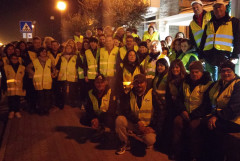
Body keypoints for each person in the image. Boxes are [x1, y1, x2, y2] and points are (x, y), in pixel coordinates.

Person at [171, 61, 212, 161]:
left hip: (199, 115)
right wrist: (182, 111)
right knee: (177, 122)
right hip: (185, 112)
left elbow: (207, 105)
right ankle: (177, 152)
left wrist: (193, 115)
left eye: (197, 72)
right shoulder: (185, 82)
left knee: (194, 126)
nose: (194, 74)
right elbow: (179, 99)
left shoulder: (208, 84)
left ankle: (195, 155)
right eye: (192, 72)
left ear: (202, 72)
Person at [115, 74, 161, 155]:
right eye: (136, 83)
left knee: (150, 140)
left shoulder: (152, 94)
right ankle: (125, 142)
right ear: (133, 84)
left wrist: (153, 127)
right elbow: (125, 110)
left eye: (141, 82)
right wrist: (137, 122)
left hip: (147, 128)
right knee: (120, 120)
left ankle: (135, 138)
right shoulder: (129, 94)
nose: (139, 85)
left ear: (145, 83)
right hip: (134, 125)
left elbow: (160, 112)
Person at [205, 60, 240, 161]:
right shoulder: (220, 84)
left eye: (228, 71)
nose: (225, 73)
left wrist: (216, 116)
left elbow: (234, 108)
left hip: (235, 120)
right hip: (224, 116)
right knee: (205, 124)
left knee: (214, 128)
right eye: (223, 71)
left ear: (233, 71)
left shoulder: (238, 84)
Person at [199, 0, 240, 81]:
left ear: (224, 7)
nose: (217, 9)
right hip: (209, 57)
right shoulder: (209, 24)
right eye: (215, 7)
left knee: (224, 81)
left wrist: (235, 55)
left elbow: (238, 40)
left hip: (225, 57)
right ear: (213, 9)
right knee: (209, 81)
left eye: (219, 6)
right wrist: (200, 55)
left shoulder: (234, 22)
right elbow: (203, 40)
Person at [27, 47, 56, 115]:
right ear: (39, 53)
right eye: (42, 51)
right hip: (38, 82)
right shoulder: (35, 61)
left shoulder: (49, 60)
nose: (43, 53)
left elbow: (54, 68)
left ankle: (46, 110)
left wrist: (53, 73)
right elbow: (28, 68)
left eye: (45, 51)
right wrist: (34, 74)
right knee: (40, 97)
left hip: (48, 81)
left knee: (47, 96)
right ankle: (41, 110)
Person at [1, 54, 26, 119]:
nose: (14, 60)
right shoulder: (6, 67)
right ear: (10, 60)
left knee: (17, 99)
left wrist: (24, 86)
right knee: (10, 100)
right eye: (13, 59)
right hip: (10, 87)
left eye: (16, 59)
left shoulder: (22, 67)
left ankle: (17, 111)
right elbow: (4, 78)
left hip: (19, 87)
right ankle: (11, 111)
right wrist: (4, 87)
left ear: (18, 59)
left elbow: (24, 78)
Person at [56, 44, 78, 109]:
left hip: (72, 76)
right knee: (63, 91)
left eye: (70, 48)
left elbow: (77, 66)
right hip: (63, 76)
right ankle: (62, 103)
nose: (68, 49)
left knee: (72, 91)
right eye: (67, 48)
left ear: (72, 49)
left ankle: (72, 102)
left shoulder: (75, 57)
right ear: (65, 49)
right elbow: (58, 66)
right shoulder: (61, 57)